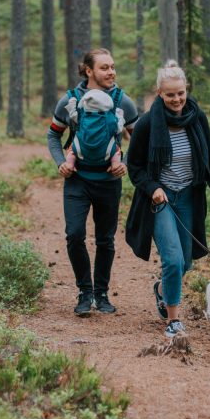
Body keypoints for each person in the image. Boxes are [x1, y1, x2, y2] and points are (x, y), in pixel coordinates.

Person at [125, 61, 210, 338]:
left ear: (186, 90)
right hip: (161, 200)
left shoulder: (196, 117)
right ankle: (173, 321)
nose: (176, 99)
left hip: (189, 197)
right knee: (172, 259)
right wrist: (153, 187)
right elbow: (133, 166)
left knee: (185, 262)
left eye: (180, 93)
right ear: (159, 92)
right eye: (170, 94)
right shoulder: (147, 123)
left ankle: (162, 289)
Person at [48, 48, 138, 317]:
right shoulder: (71, 100)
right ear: (89, 71)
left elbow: (139, 140)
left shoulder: (124, 102)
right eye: (104, 68)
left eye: (113, 67)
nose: (111, 72)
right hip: (77, 180)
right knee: (74, 235)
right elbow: (53, 136)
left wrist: (125, 163)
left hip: (109, 181)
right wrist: (60, 162)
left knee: (105, 240)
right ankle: (84, 292)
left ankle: (101, 293)